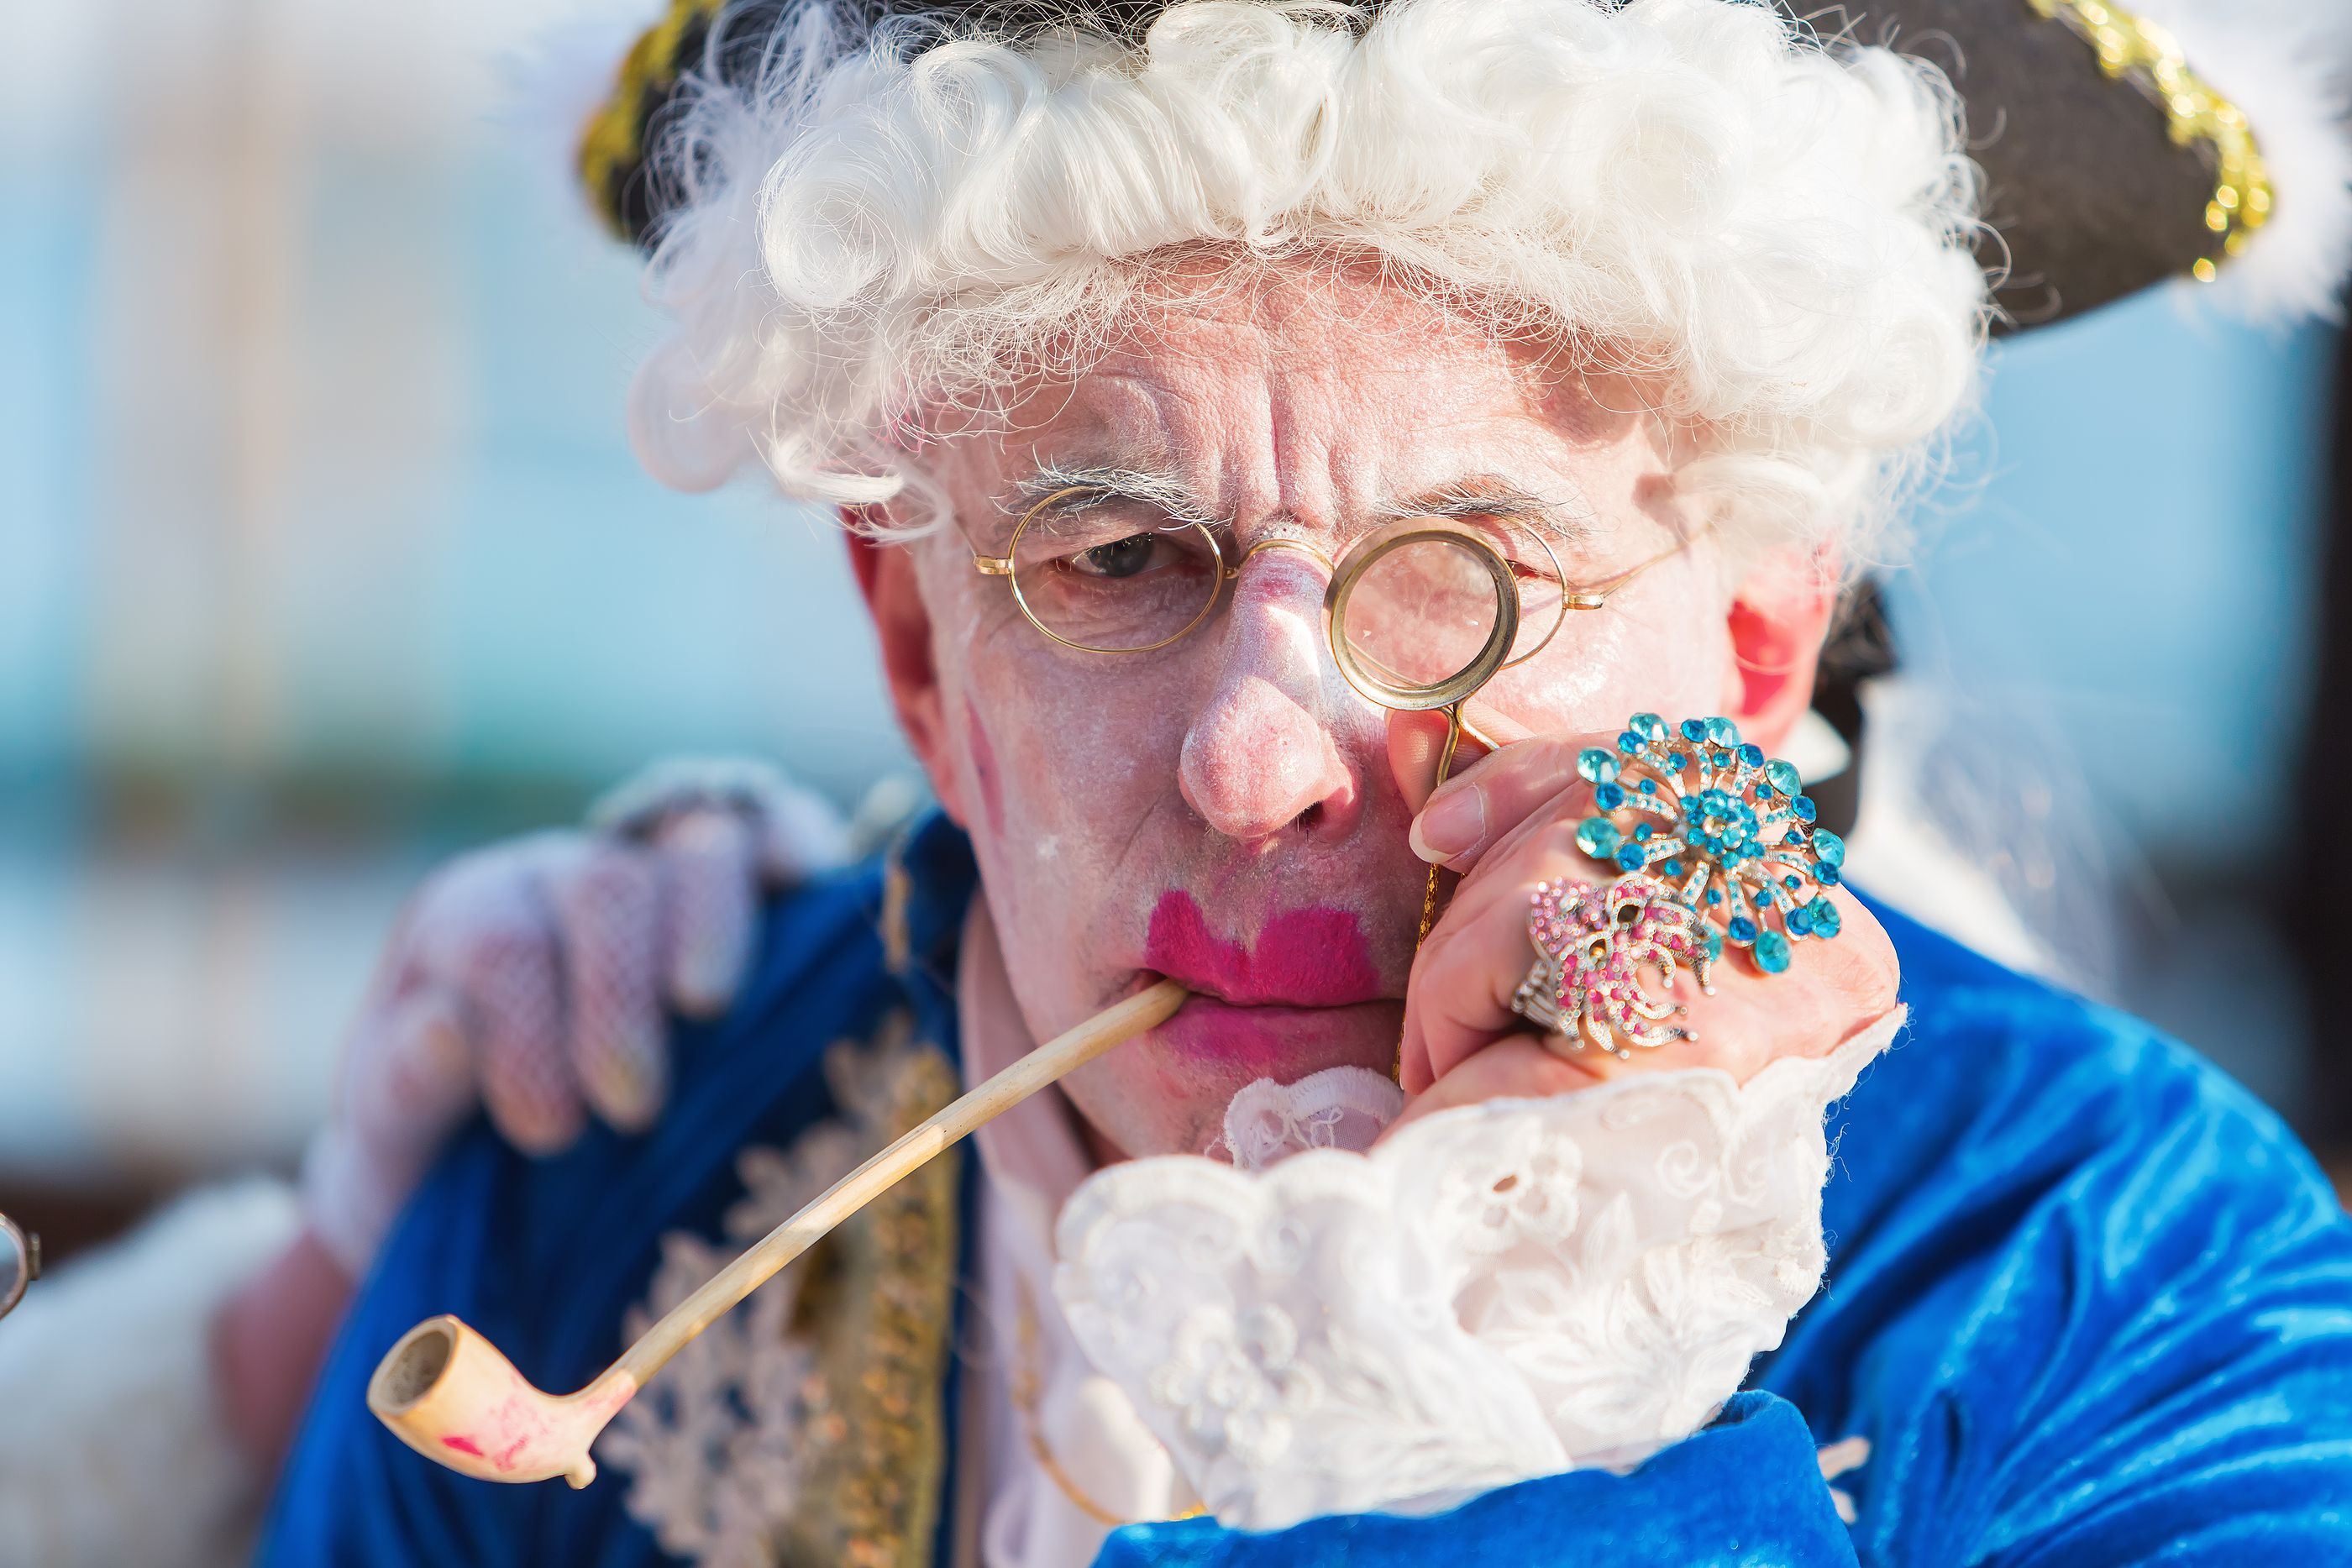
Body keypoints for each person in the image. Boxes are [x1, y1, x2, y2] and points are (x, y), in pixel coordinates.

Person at [10, 1, 2352, 1564]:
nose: (1254, 754)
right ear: (917, 643)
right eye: (1115, 554)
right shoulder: (592, 1201)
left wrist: (1475, 1399)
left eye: (1464, 576)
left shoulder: (2148, 1287)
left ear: (1750, 640)